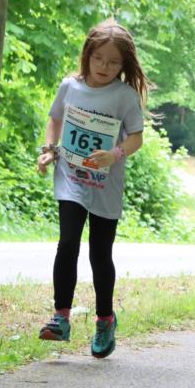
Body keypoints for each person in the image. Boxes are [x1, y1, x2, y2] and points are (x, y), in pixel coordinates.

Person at [35, 20, 148, 358]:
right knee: (67, 242)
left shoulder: (124, 96)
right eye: (99, 59)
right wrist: (47, 150)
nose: (105, 67)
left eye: (114, 63)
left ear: (124, 65)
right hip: (70, 178)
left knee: (100, 254)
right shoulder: (70, 87)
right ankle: (61, 317)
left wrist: (114, 154)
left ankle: (104, 319)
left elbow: (136, 137)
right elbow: (55, 120)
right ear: (88, 55)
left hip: (104, 185)